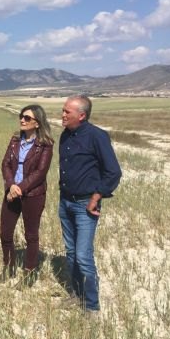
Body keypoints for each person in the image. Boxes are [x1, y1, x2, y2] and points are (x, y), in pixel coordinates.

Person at [59, 95, 121, 315]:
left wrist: (96, 197)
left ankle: (92, 306)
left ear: (82, 115)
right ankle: (76, 294)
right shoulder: (65, 135)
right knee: (71, 252)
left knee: (83, 255)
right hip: (65, 202)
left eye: (68, 112)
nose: (63, 114)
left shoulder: (97, 136)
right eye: (63, 110)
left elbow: (113, 172)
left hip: (86, 205)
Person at [0, 105, 54, 284]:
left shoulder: (45, 144)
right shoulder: (15, 140)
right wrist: (11, 185)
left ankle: (29, 273)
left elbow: (40, 172)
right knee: (5, 233)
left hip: (33, 195)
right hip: (12, 193)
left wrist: (19, 188)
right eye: (22, 116)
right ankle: (9, 267)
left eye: (27, 118)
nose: (22, 120)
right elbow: (5, 164)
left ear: (37, 123)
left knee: (31, 235)